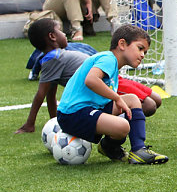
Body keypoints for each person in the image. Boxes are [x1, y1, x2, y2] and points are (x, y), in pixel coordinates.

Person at [16, 19, 162, 134]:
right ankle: (120, 126)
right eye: (60, 31)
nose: (65, 34)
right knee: (149, 105)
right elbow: (44, 94)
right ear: (52, 36)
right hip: (106, 82)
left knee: (155, 100)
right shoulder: (52, 60)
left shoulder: (58, 57)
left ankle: (119, 122)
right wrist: (40, 122)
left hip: (110, 78)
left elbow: (49, 95)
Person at [55, 24, 168, 164]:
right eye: (140, 48)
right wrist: (116, 98)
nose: (142, 55)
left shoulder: (113, 66)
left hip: (89, 108)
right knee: (123, 126)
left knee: (132, 99)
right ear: (122, 44)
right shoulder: (108, 58)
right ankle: (124, 148)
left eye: (145, 51)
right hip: (73, 114)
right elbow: (90, 80)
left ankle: (133, 148)